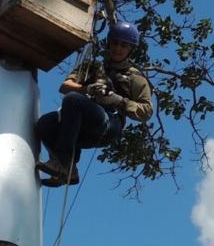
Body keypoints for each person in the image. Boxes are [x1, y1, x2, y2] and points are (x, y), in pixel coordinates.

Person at [35, 21, 154, 186]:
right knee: (45, 124)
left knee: (73, 100)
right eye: (115, 43)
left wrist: (118, 101)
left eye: (124, 45)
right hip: (81, 123)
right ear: (109, 43)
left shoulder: (135, 78)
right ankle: (69, 170)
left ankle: (62, 163)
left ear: (130, 49)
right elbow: (65, 86)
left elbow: (146, 110)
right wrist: (87, 89)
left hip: (108, 124)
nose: (118, 48)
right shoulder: (91, 67)